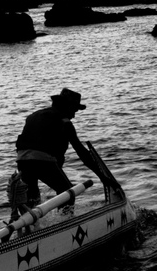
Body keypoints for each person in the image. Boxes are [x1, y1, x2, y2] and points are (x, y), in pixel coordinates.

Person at [10, 88, 96, 222]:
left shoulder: (34, 115)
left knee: (33, 201)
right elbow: (81, 152)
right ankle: (65, 224)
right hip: (40, 160)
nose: (74, 115)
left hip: (22, 160)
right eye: (73, 110)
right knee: (68, 193)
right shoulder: (64, 122)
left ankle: (32, 229)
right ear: (66, 106)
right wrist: (102, 176)